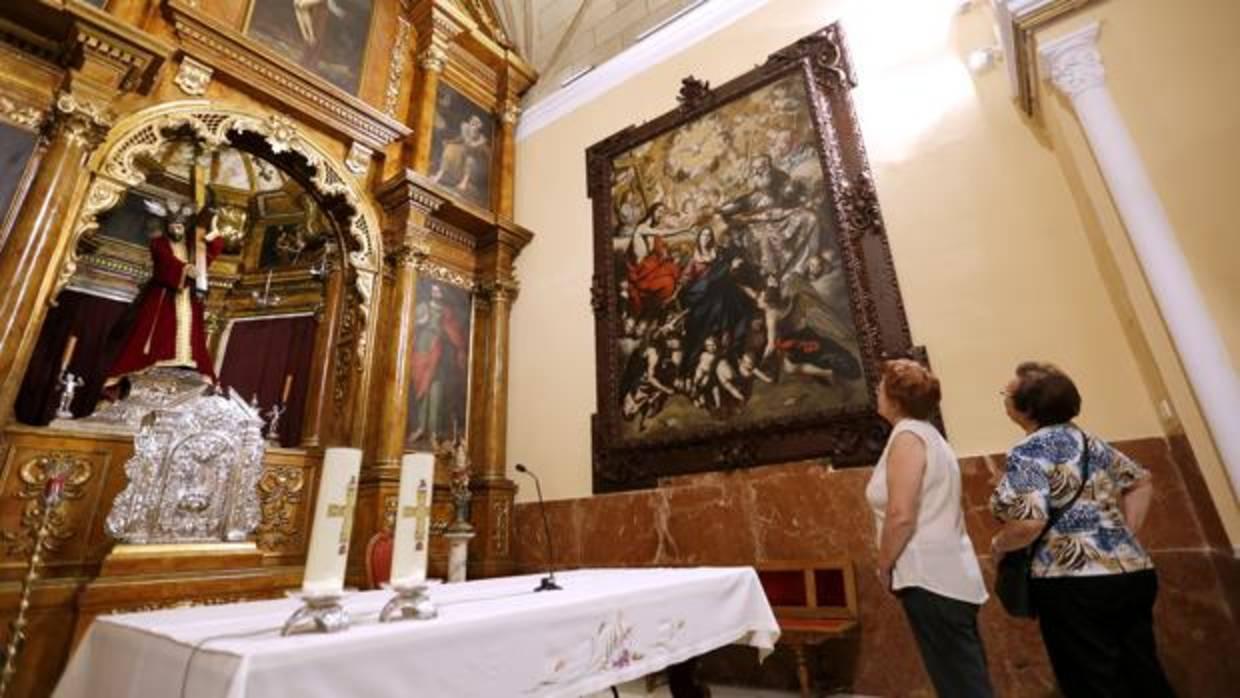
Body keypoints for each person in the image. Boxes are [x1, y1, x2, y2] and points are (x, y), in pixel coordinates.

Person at [990, 362, 1173, 698]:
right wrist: (1123, 536)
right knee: (1143, 674)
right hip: (1132, 573)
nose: (1003, 399)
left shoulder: (1027, 451)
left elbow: (1030, 522)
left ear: (1027, 408)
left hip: (1072, 582)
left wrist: (1000, 544)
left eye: (1007, 394)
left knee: (1092, 683)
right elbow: (1141, 481)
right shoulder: (1090, 442)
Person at [865, 359, 992, 697]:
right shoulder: (928, 434)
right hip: (947, 572)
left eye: (880, 388)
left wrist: (884, 563)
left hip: (929, 576)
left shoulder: (907, 437)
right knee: (962, 675)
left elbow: (901, 514)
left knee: (960, 683)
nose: (876, 393)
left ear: (894, 399)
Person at [104, 200, 225, 392]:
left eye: (180, 226)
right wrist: (185, 269)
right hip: (163, 297)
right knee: (158, 329)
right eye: (173, 226)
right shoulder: (159, 243)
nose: (177, 230)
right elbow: (164, 262)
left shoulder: (192, 247)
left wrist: (212, 230)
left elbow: (207, 255)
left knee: (191, 333)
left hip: (188, 298)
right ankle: (152, 362)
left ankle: (186, 362)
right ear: (167, 227)